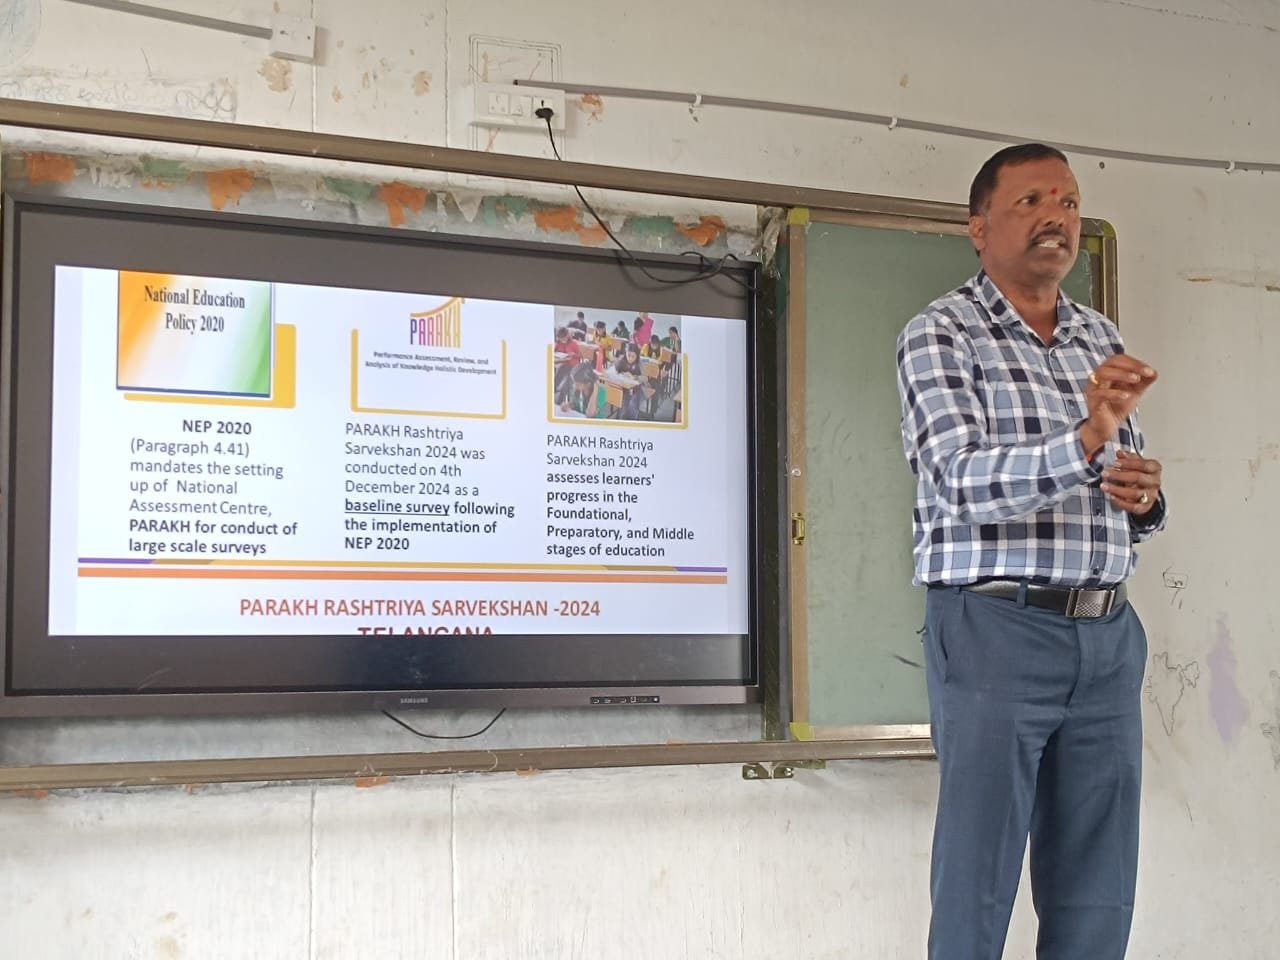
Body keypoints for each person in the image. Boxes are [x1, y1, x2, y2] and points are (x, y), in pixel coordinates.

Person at [895, 143, 1167, 960]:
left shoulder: (1098, 335)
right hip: (995, 630)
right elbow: (959, 480)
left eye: (1070, 202)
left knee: (1099, 885)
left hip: (1107, 634)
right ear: (979, 227)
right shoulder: (941, 333)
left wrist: (1143, 498)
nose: (1058, 216)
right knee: (977, 883)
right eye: (1032, 201)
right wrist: (1085, 441)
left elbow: (1116, 478)